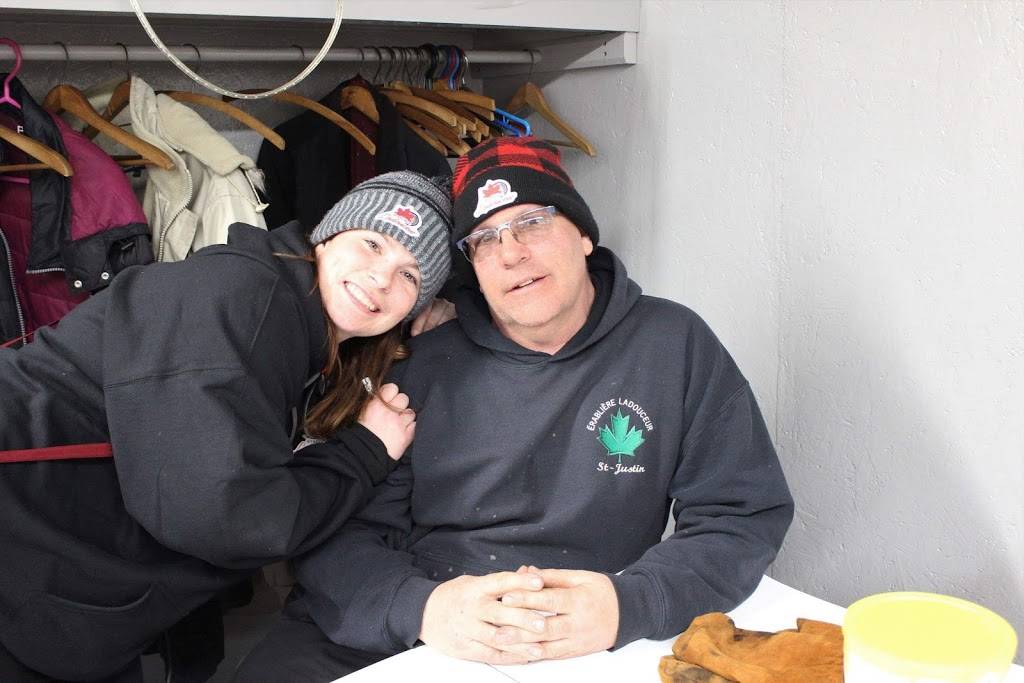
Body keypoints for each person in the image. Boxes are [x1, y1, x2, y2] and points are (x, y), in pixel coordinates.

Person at [234, 137, 795, 681]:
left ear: (584, 235)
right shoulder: (417, 360)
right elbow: (338, 526)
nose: (510, 253)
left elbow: (739, 514)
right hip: (424, 616)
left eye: (532, 222)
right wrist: (422, 608)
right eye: (484, 239)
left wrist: (630, 603)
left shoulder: (674, 344)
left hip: (588, 632)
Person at [0, 170, 453, 682]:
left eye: (411, 276)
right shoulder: (245, 297)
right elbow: (225, 517)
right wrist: (363, 453)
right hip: (20, 542)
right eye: (372, 244)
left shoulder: (302, 328)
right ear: (326, 236)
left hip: (47, 572)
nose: (382, 279)